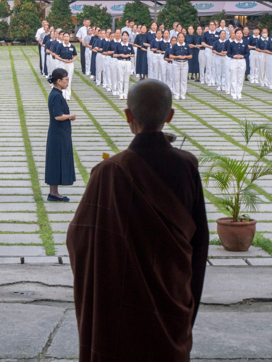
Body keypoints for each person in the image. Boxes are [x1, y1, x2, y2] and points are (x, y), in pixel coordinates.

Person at [67, 79, 209, 362]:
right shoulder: (186, 165)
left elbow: (79, 238)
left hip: (118, 308)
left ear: (128, 116)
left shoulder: (109, 172)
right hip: (170, 298)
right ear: (169, 116)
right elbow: (199, 242)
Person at [45, 68, 75, 202]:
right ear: (59, 81)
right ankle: (53, 193)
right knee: (56, 161)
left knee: (56, 161)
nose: (68, 82)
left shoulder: (57, 93)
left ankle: (54, 192)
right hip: (58, 133)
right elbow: (58, 116)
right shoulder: (56, 96)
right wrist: (70, 116)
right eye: (66, 79)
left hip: (59, 132)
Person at [54, 32, 78, 101]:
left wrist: (72, 60)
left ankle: (68, 95)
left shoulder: (72, 46)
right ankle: (62, 94)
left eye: (67, 36)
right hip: (62, 63)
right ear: (63, 37)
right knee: (61, 79)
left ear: (69, 37)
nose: (66, 38)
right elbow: (56, 56)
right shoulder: (60, 46)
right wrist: (62, 59)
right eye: (65, 36)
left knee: (69, 79)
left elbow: (75, 55)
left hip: (70, 64)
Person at [227, 28, 249, 100]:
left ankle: (239, 93)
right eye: (237, 33)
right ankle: (233, 93)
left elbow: (247, 53)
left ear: (242, 35)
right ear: (235, 35)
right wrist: (233, 56)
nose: (239, 35)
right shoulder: (231, 44)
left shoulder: (244, 44)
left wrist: (242, 56)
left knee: (240, 78)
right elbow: (228, 53)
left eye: (240, 33)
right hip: (233, 61)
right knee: (233, 77)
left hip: (242, 61)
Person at [170, 32, 192, 100]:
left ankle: (183, 94)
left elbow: (191, 55)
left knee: (184, 79)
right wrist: (177, 56)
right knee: (176, 79)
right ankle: (176, 94)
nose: (181, 38)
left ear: (184, 38)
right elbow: (170, 55)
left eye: (182, 37)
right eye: (179, 37)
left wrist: (185, 56)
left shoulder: (187, 46)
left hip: (184, 63)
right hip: (176, 63)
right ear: (177, 38)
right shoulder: (175, 46)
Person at [114, 30, 135, 100]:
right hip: (120, 61)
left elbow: (133, 54)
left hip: (128, 62)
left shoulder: (130, 45)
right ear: (121, 37)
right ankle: (120, 93)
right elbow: (114, 54)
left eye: (126, 36)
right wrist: (120, 54)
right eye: (124, 35)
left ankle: (125, 93)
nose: (125, 37)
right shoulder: (118, 45)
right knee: (120, 78)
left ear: (128, 37)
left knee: (126, 78)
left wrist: (128, 55)